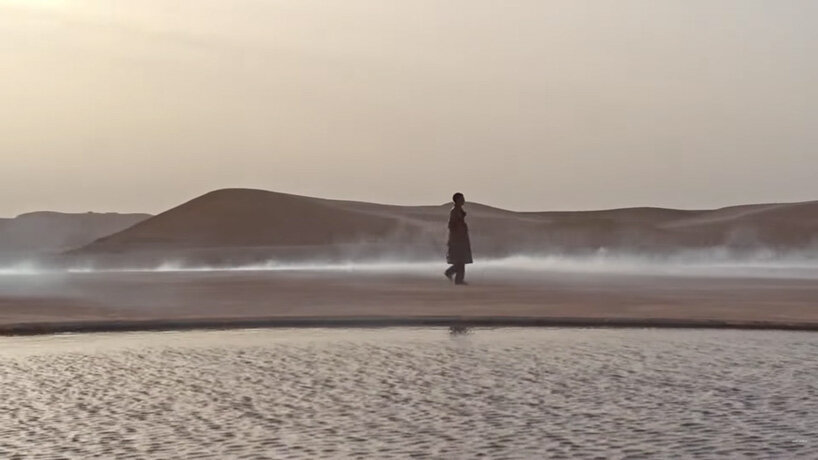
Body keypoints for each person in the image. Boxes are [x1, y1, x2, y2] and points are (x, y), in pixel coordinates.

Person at [444, 192, 473, 285]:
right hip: (457, 239)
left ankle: (458, 279)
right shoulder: (454, 211)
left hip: (461, 238)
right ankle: (451, 273)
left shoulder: (459, 210)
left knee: (462, 259)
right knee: (460, 260)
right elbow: (451, 225)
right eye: (462, 199)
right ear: (457, 200)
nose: (463, 200)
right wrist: (455, 237)